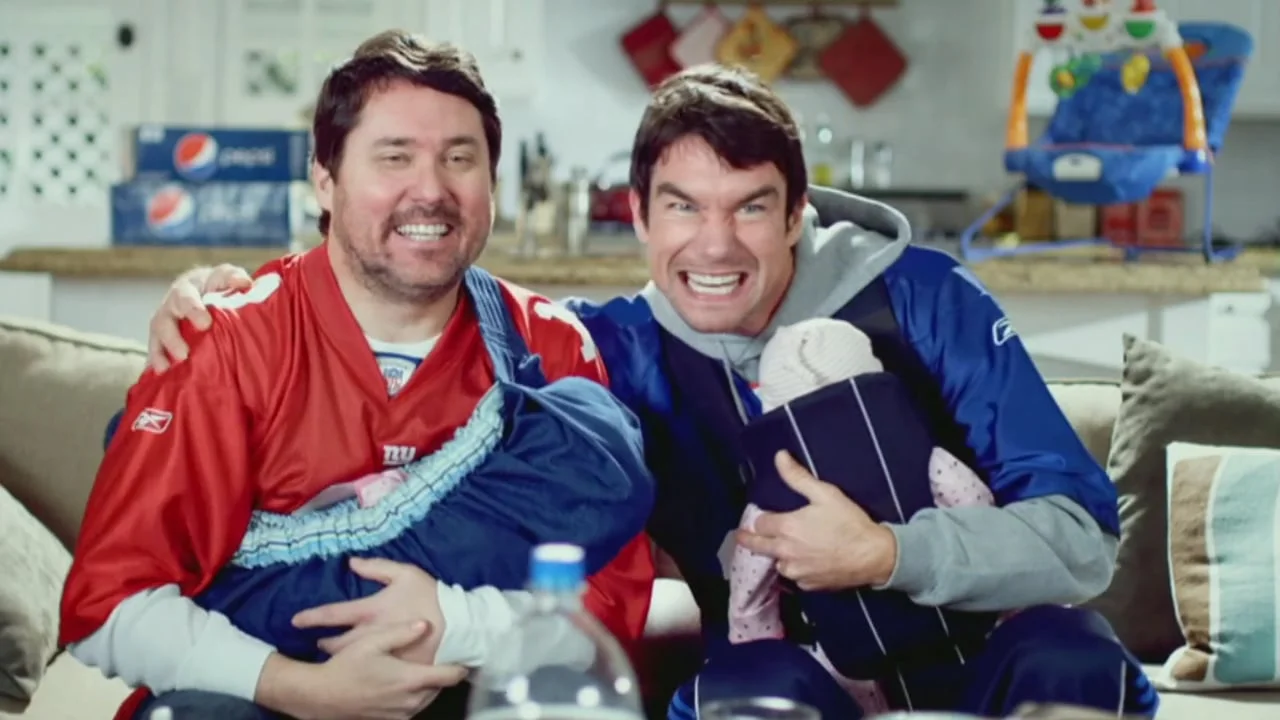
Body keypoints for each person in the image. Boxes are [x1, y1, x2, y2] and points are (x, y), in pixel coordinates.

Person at [141, 63, 1158, 719]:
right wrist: (226, 306)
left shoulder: (927, 300)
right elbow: (401, 326)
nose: (714, 246)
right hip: (788, 671)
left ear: (796, 212)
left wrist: (887, 554)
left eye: (750, 208)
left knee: (1073, 654)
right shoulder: (606, 349)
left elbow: (1081, 538)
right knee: (746, 697)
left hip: (996, 654)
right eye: (682, 208)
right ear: (636, 216)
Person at [59, 31, 655, 720]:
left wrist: (451, 621)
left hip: (468, 683)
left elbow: (614, 597)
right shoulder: (224, 344)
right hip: (258, 694)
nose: (430, 190)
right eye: (394, 157)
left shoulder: (547, 345)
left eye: (459, 158)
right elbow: (106, 604)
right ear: (325, 178)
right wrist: (300, 689)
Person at [728, 317, 998, 716]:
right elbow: (984, 525)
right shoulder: (929, 460)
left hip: (847, 666)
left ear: (767, 407)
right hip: (961, 634)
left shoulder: (769, 505)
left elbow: (749, 605)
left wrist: (763, 662)